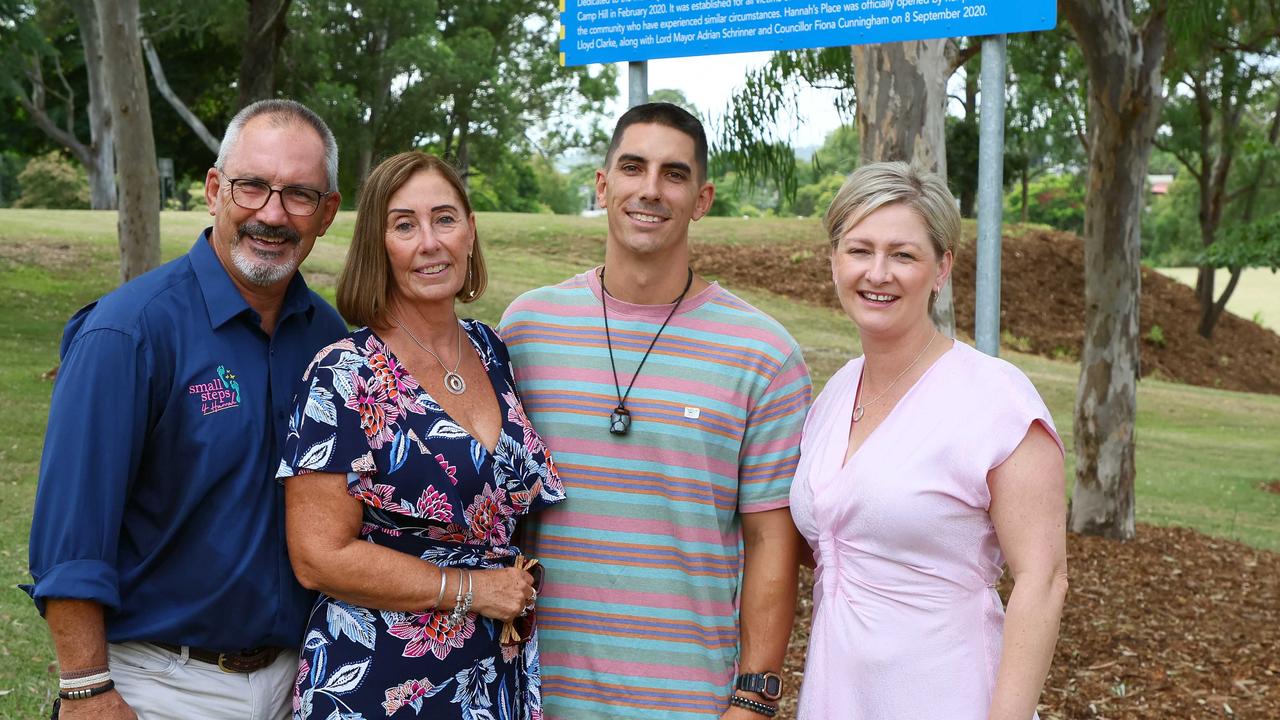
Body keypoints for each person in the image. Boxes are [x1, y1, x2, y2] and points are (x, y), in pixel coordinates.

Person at [26, 99, 347, 719]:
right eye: (251, 186)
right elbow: (72, 535)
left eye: (299, 195)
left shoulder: (330, 341)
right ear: (214, 190)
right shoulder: (129, 332)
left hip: (301, 681)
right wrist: (87, 688)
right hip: (161, 683)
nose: (271, 214)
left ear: (328, 213)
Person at [498, 102, 812, 719]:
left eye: (674, 174)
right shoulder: (526, 330)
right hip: (539, 697)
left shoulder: (765, 354)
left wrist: (753, 700)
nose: (650, 189)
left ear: (702, 199)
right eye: (633, 167)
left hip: (691, 701)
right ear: (602, 183)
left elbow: (772, 539)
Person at [277, 151, 564, 719]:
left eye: (445, 218)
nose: (430, 242)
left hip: (492, 673)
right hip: (379, 680)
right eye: (405, 225)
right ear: (379, 247)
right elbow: (317, 556)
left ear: (470, 230)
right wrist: (474, 591)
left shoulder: (491, 350)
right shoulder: (343, 373)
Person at [790, 161, 1068, 719]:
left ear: (941, 268)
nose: (878, 272)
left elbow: (1044, 580)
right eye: (859, 249)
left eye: (904, 254)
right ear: (833, 261)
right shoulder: (836, 394)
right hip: (836, 694)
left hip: (950, 691)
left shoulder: (995, 399)